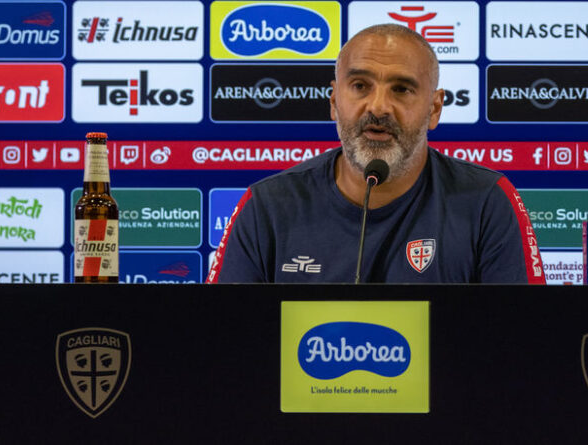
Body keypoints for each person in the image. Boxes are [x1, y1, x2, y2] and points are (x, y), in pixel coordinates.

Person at [207, 24, 545, 284]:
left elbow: (520, 344)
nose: (379, 107)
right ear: (333, 103)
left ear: (434, 108)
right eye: (360, 86)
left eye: (401, 89)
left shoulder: (487, 202)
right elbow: (223, 341)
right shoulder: (267, 205)